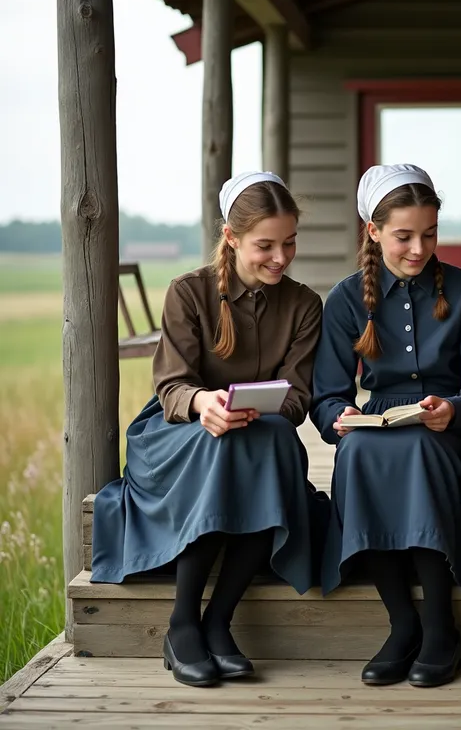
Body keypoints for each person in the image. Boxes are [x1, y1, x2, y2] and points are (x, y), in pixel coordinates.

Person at [91, 172, 329, 687]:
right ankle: (183, 624)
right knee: (223, 446)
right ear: (231, 237)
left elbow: (297, 400)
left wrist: (255, 409)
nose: (281, 257)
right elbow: (172, 388)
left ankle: (217, 621)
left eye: (289, 243)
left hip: (258, 432)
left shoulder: (305, 305)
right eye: (265, 245)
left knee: (270, 445)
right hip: (178, 432)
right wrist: (204, 403)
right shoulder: (188, 293)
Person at [311, 163, 461, 688]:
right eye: (403, 236)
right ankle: (402, 623)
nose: (418, 247)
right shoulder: (347, 298)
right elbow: (327, 395)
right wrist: (341, 419)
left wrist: (455, 411)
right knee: (357, 455)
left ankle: (441, 626)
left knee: (419, 447)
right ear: (373, 232)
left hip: (444, 425)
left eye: (429, 234)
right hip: (378, 421)